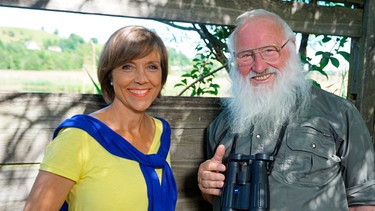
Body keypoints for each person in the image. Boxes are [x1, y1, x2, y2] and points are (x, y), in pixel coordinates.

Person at [197, 9, 375, 211]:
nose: (259, 66)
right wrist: (207, 188)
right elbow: (216, 197)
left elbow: (365, 202)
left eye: (269, 51)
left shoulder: (339, 114)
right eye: (246, 55)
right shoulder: (221, 126)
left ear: (292, 48)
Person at [24, 26, 177, 211]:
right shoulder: (77, 138)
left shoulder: (160, 132)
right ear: (110, 75)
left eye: (152, 67)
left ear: (162, 75)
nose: (142, 78)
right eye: (127, 66)